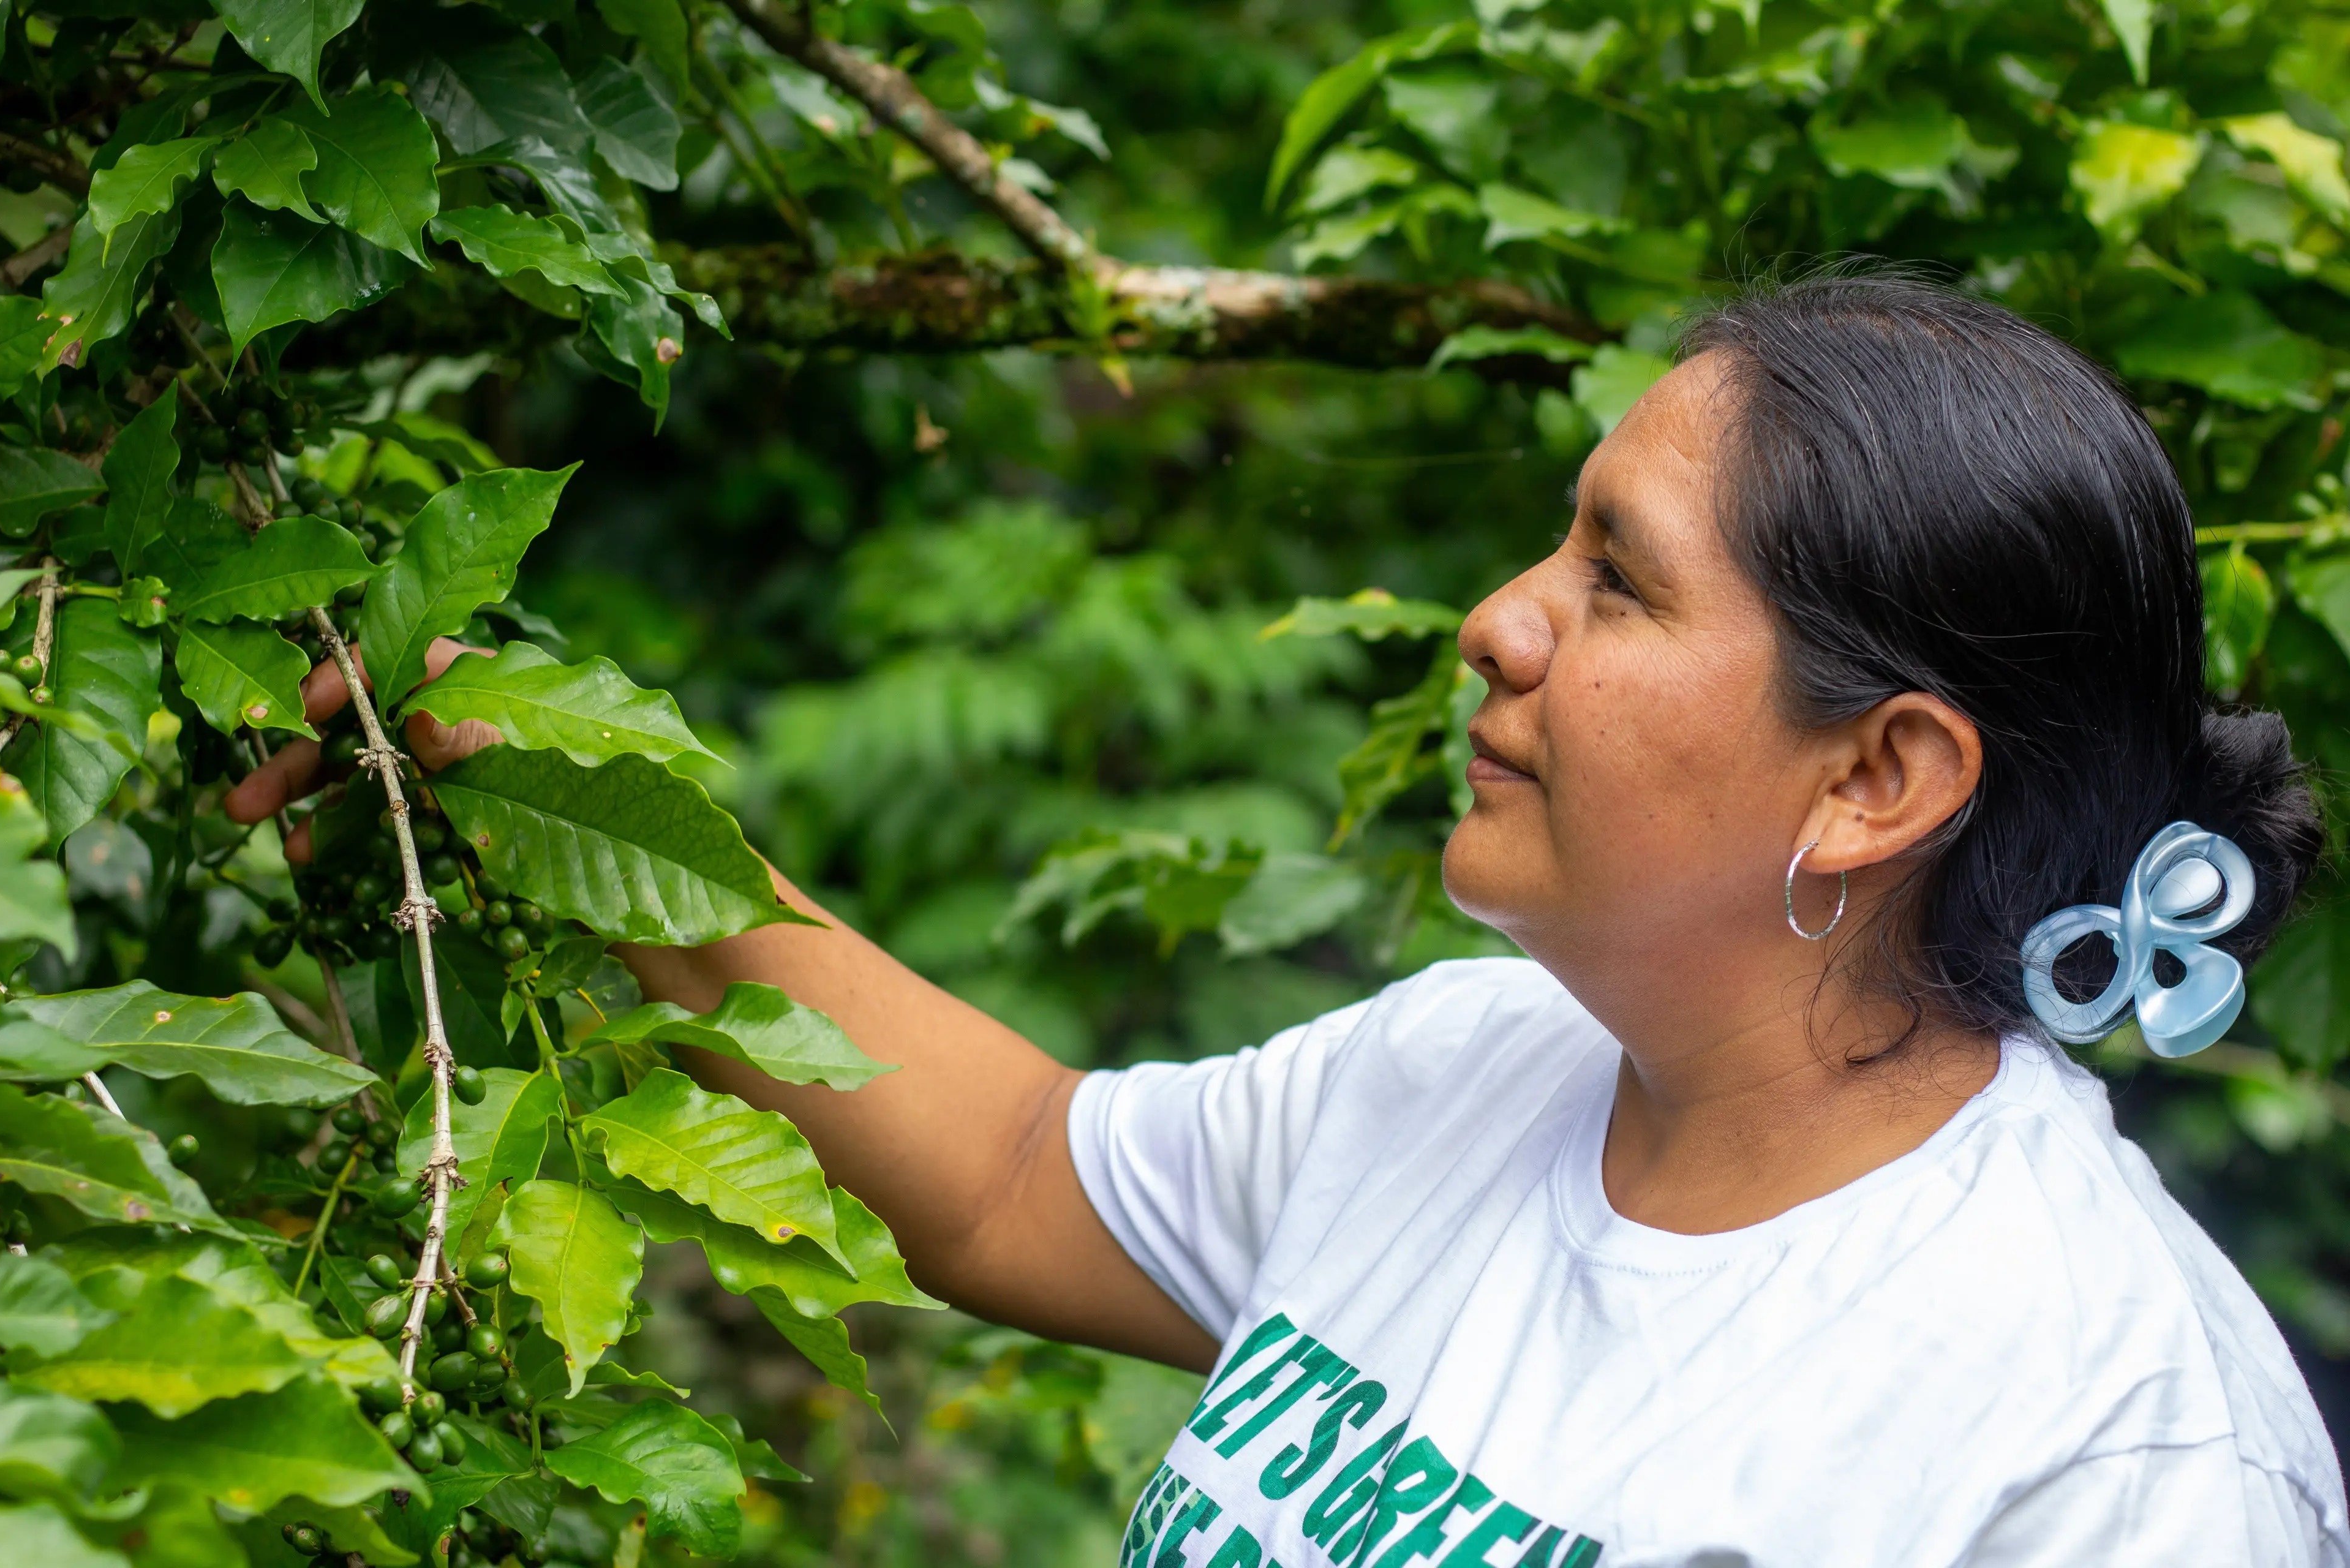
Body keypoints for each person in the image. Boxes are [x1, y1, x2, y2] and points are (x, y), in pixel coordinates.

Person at [229, 273, 2350, 1567]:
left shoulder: (2112, 1450)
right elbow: (995, 1172)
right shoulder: (1468, 1066)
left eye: (1620, 579)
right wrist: (538, 772)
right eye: (1558, 542)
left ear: (1876, 779)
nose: (1498, 624)